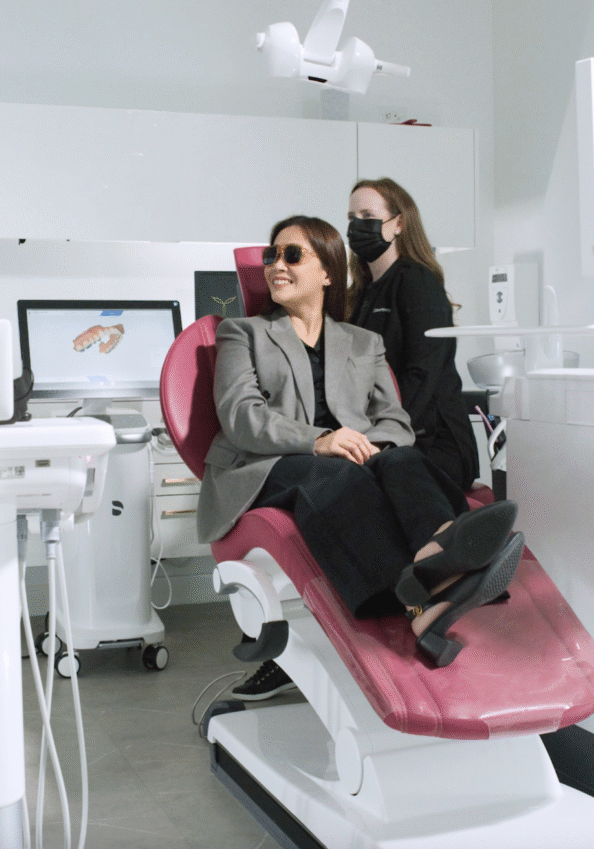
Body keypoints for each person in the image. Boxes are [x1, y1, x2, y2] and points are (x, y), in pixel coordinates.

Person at [196, 216, 521, 700]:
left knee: (404, 461)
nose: (276, 265)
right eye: (271, 255)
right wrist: (321, 440)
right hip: (264, 465)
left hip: (349, 458)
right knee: (333, 475)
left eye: (292, 255)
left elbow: (394, 421)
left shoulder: (364, 343)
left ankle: (439, 564)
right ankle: (420, 601)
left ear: (328, 271)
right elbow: (242, 418)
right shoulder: (243, 334)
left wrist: (370, 449)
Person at [347, 178, 479, 492]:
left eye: (368, 216)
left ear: (399, 224)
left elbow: (422, 373)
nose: (357, 226)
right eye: (352, 218)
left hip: (435, 442)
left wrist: (382, 437)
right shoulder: (361, 294)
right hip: (389, 434)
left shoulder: (417, 281)